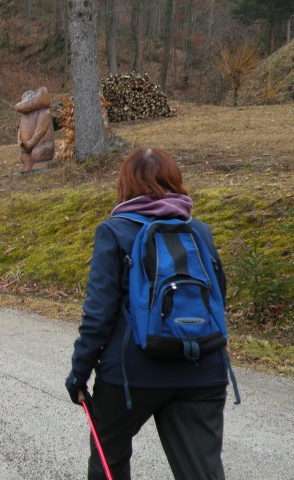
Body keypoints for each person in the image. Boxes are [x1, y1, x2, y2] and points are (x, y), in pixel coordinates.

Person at [65, 148, 230, 480]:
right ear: (174, 181)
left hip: (130, 375)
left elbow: (98, 316)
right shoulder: (199, 231)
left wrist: (78, 375)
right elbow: (217, 297)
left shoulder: (114, 231)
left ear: (125, 185)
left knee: (108, 461)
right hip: (202, 369)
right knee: (202, 472)